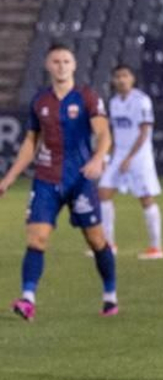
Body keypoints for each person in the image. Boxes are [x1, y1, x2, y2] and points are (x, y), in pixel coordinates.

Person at [0, 46, 118, 319]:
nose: (61, 66)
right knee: (37, 237)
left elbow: (103, 133)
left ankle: (110, 295)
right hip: (46, 178)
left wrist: (98, 158)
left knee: (97, 240)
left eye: (66, 61)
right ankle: (27, 298)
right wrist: (9, 177)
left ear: (74, 65)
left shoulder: (87, 96)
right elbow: (31, 143)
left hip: (80, 179)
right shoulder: (40, 100)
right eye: (56, 61)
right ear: (47, 65)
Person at [97, 64, 163, 260]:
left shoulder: (142, 101)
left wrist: (129, 158)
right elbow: (115, 132)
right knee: (103, 192)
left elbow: (144, 132)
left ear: (132, 79)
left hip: (139, 156)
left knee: (145, 198)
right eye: (117, 76)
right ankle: (108, 244)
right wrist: (108, 156)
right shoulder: (114, 102)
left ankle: (156, 247)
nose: (121, 80)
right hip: (119, 154)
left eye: (125, 76)